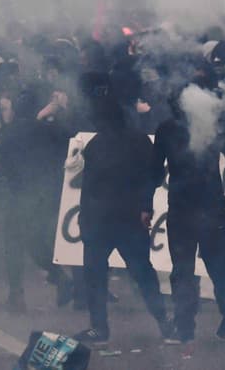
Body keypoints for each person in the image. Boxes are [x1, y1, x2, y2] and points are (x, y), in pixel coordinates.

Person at [73, 96, 172, 347]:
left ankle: (99, 329)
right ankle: (165, 324)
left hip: (100, 221)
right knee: (143, 273)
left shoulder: (95, 145)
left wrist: (84, 220)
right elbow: (155, 174)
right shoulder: (138, 140)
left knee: (96, 275)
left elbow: (89, 187)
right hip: (128, 219)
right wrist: (145, 206)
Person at [151, 85, 225, 345]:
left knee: (185, 269)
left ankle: (186, 325)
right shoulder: (209, 126)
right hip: (205, 208)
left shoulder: (168, 130)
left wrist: (145, 200)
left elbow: (154, 172)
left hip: (185, 209)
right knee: (215, 265)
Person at [0, 87, 74, 313]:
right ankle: (60, 279)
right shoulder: (48, 129)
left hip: (19, 196)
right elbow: (72, 142)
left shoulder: (10, 132)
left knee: (14, 245)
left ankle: (17, 296)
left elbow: (0, 163)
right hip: (47, 195)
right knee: (35, 242)